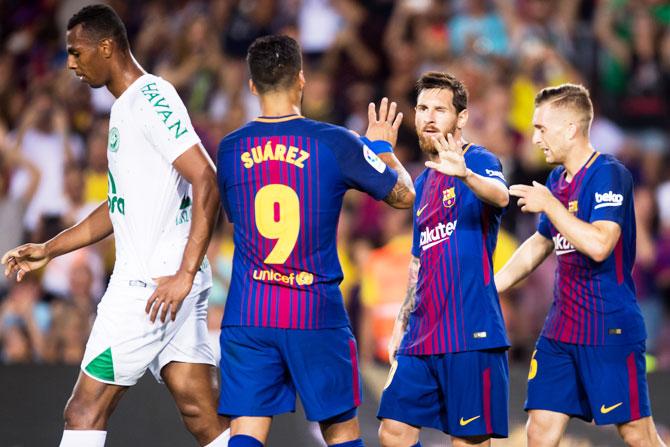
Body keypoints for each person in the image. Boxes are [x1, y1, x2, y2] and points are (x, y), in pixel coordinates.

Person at [1, 5, 228, 447]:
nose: (70, 63)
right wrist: (50, 248)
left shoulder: (150, 97)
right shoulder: (125, 107)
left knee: (84, 411)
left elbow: (207, 177)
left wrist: (183, 274)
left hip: (150, 289)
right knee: (200, 411)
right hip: (168, 285)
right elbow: (118, 206)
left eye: (76, 52)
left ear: (107, 47)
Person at [216, 35, 415, 447]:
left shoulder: (230, 149)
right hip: (313, 311)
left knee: (247, 431)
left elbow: (238, 219)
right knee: (340, 432)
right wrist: (382, 149)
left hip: (250, 311)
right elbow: (403, 197)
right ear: (301, 80)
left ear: (252, 85)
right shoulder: (335, 142)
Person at [495, 84, 666, 447]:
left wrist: (551, 206)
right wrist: (489, 287)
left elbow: (600, 244)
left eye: (541, 127)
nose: (535, 137)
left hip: (608, 327)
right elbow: (540, 243)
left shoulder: (609, 173)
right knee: (540, 430)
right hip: (561, 331)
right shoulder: (557, 181)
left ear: (571, 129)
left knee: (637, 433)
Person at [377, 71, 511, 447]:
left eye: (440, 109)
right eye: (422, 108)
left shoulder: (479, 160)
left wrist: (466, 175)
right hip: (422, 334)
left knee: (468, 442)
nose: (429, 117)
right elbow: (418, 261)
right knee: (393, 433)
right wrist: (400, 325)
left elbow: (500, 196)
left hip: (470, 332)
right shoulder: (423, 183)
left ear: (462, 118)